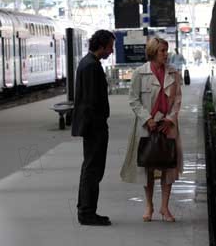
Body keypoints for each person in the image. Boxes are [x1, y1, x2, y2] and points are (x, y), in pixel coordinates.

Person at [120, 37, 183, 223]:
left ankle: (165, 207)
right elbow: (133, 99)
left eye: (166, 50)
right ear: (153, 52)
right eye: (162, 51)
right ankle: (149, 206)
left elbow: (178, 99)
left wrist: (170, 119)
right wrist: (147, 118)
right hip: (147, 126)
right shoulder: (140, 73)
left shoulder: (174, 73)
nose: (166, 54)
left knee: (168, 166)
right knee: (147, 165)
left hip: (167, 126)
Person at [71, 29, 115, 226]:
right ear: (102, 45)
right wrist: (97, 124)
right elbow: (90, 100)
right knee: (93, 169)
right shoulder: (91, 67)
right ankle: (87, 212)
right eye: (110, 47)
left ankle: (85, 209)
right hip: (94, 126)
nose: (111, 51)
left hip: (93, 125)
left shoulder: (88, 63)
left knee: (91, 168)